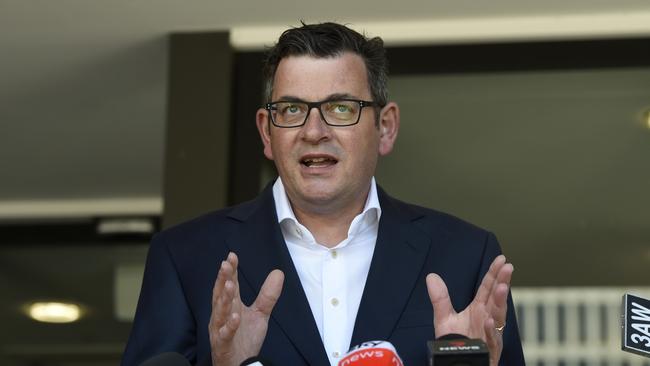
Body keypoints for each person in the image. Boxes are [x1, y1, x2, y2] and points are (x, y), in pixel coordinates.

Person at [122, 22, 525, 366]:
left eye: (341, 108)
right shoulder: (186, 257)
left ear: (385, 127)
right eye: (292, 110)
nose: (314, 131)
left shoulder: (465, 256)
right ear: (267, 131)